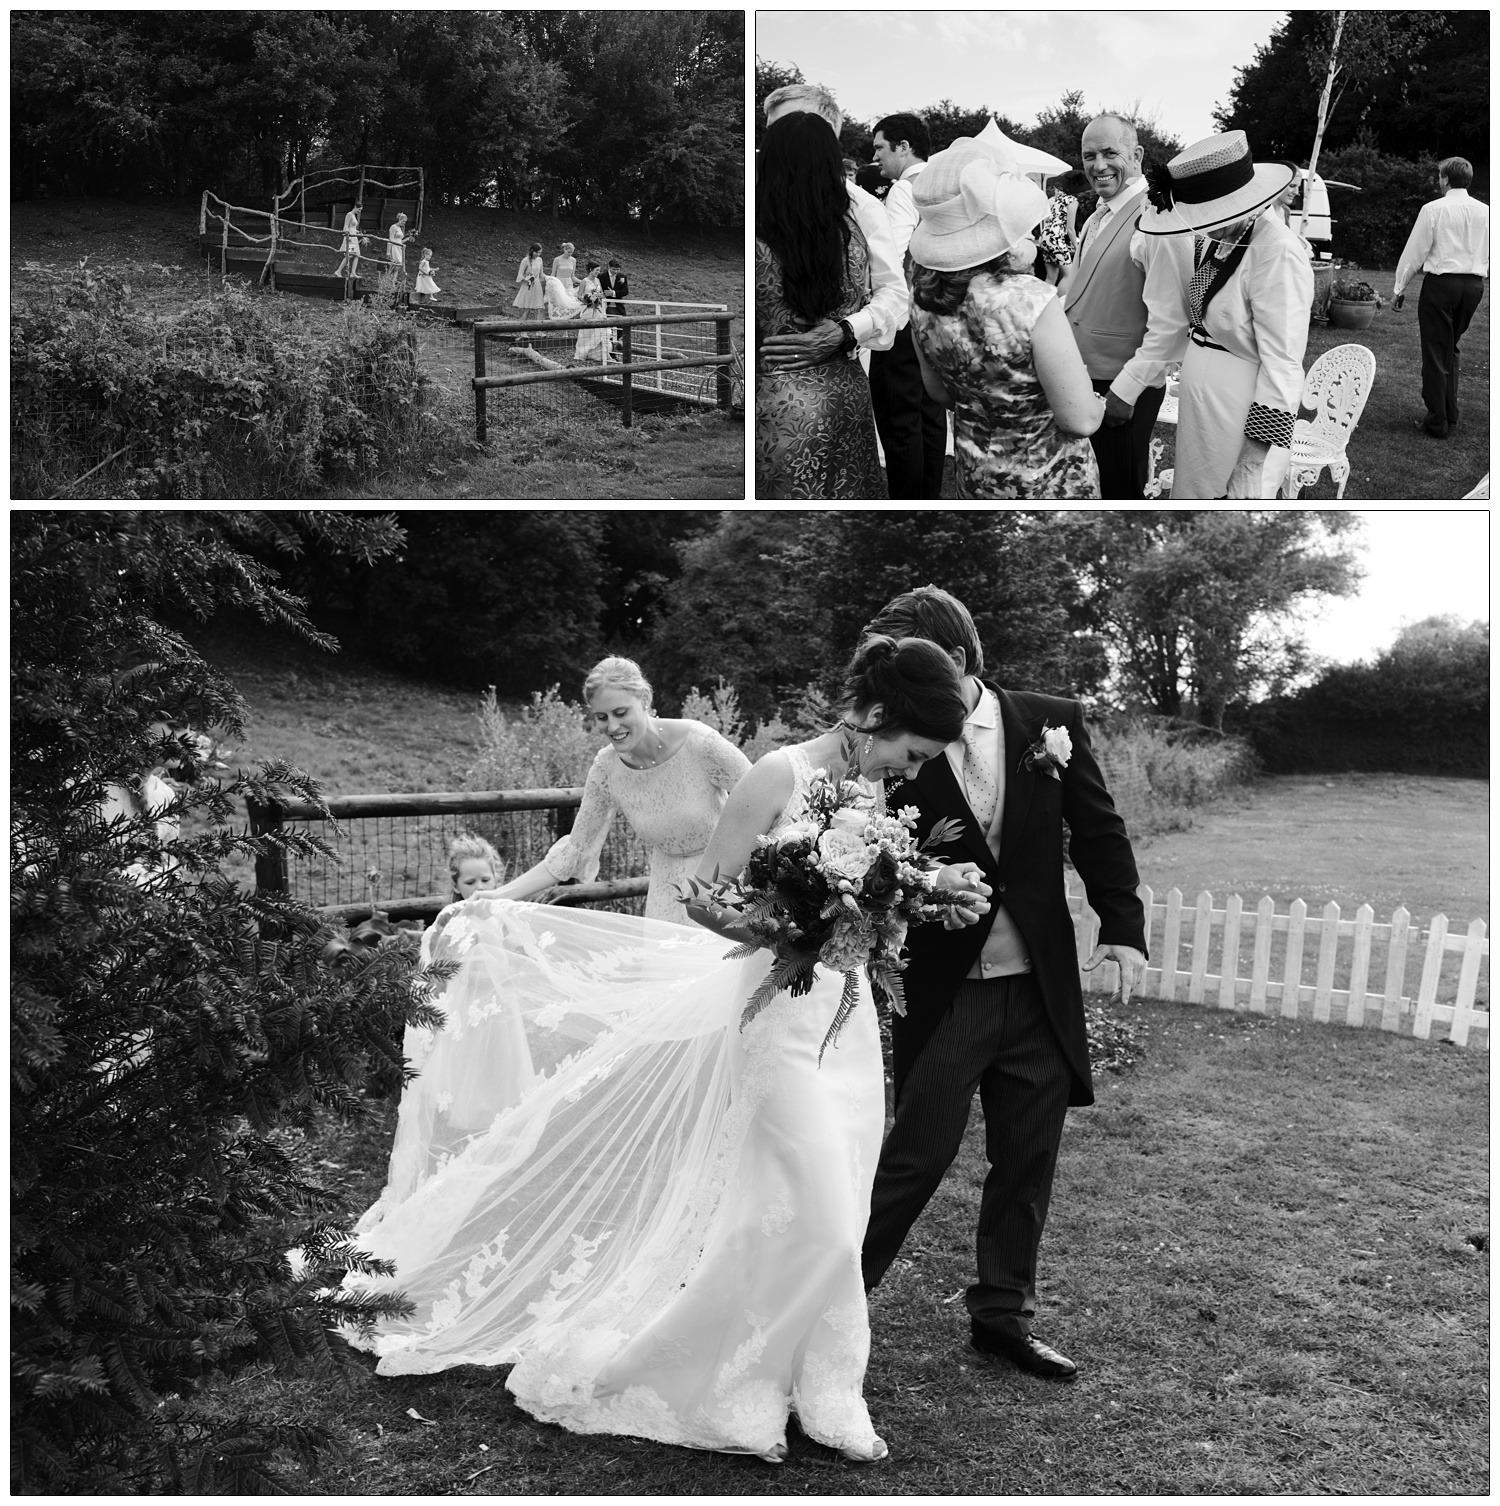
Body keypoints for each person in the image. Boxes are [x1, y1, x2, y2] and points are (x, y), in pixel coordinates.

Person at [342, 637, 985, 1464]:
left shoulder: (871, 789)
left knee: (829, 1209)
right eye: (911, 750)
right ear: (872, 717)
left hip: (848, 1025)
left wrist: (906, 903)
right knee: (822, 1216)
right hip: (775, 1016)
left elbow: (872, 906)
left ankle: (820, 1385)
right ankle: (741, 1378)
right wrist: (795, 926)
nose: (910, 769)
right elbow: (708, 897)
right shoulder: (776, 776)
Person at [858, 586, 1147, 1384]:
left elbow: (1097, 825)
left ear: (952, 659)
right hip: (948, 989)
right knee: (914, 1158)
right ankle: (838, 1306)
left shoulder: (1047, 720)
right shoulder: (884, 738)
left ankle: (1002, 1317)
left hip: (1037, 990)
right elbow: (865, 852)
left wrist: (1121, 927)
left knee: (1027, 1159)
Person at [905, 133, 1104, 499]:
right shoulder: (1031, 301)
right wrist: (1098, 401)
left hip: (976, 475)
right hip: (1048, 483)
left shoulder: (920, 301)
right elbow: (1080, 420)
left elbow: (939, 392)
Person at [492, 656, 751, 925]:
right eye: (601, 717)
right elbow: (575, 851)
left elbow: (765, 800)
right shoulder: (606, 769)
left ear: (645, 700)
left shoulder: (700, 743)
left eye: (621, 713)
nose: (612, 727)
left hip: (724, 884)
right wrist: (500, 894)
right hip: (667, 894)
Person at [1137, 130, 1309, 499]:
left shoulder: (1277, 250)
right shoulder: (1215, 236)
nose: (1203, 222)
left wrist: (1251, 462)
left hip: (1240, 410)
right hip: (1202, 402)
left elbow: (1284, 363)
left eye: (1211, 212)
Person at [755, 111, 894, 499]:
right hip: (848, 394)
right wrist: (846, 332)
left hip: (779, 403)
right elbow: (880, 296)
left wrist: (848, 330)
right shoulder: (851, 233)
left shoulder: (757, 234)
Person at [1059, 116, 1195, 500]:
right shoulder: (1098, 215)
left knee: (1120, 494)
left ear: (1136, 156)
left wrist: (1127, 390)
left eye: (1109, 153)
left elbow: (1173, 321)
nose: (1098, 165)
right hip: (1082, 380)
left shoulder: (1158, 217)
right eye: (1089, 155)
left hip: (1120, 388)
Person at [756, 84, 907, 424]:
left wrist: (846, 330)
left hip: (838, 389)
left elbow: (895, 294)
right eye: (772, 131)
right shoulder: (757, 201)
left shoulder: (861, 208)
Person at [868, 112, 948, 500]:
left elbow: (892, 256)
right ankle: (929, 496)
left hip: (906, 322)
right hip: (942, 318)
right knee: (930, 414)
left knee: (900, 420)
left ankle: (907, 501)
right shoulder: (948, 182)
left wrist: (884, 317)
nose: (876, 157)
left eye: (881, 148)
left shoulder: (905, 189)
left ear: (904, 147)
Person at [1392, 157, 1488, 439]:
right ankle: (1450, 412)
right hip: (1473, 288)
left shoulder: (1434, 209)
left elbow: (1415, 252)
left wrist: (1400, 287)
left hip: (1441, 286)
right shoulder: (1487, 211)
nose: (1439, 180)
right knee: (1450, 347)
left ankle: (1437, 421)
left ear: (1446, 179)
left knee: (1435, 352)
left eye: (1439, 176)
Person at [1035, 173, 1083, 285]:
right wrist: (1077, 247)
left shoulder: (1058, 200)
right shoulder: (1072, 201)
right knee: (1069, 276)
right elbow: (1070, 229)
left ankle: (1046, 301)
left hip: (1044, 237)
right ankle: (1062, 302)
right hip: (1055, 238)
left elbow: (1049, 219)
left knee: (1051, 276)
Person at [574, 259, 612, 362]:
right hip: (588, 309)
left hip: (598, 308)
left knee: (600, 331)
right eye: (596, 270)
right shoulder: (585, 281)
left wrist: (600, 296)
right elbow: (579, 295)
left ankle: (604, 354)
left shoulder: (598, 281)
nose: (598, 272)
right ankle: (582, 353)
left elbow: (601, 293)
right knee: (587, 332)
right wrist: (588, 300)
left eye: (599, 271)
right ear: (590, 270)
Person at [514, 243, 546, 315]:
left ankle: (539, 324)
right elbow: (520, 274)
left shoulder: (540, 260)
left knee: (539, 306)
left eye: (540, 252)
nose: (538, 254)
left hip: (537, 284)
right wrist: (527, 280)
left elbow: (541, 274)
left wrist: (549, 278)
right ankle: (522, 324)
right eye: (536, 252)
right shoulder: (525, 260)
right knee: (527, 307)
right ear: (532, 251)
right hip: (528, 284)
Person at [333, 203, 362, 280]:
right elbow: (346, 226)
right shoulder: (349, 214)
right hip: (350, 237)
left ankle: (353, 272)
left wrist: (357, 231)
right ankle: (338, 271)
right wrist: (347, 236)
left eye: (360, 210)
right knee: (350, 255)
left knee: (357, 254)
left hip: (354, 236)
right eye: (359, 209)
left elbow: (352, 227)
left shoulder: (354, 216)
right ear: (355, 207)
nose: (359, 211)